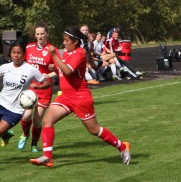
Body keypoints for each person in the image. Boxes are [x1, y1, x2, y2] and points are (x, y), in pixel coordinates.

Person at [29, 26, 131, 167]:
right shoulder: (67, 54)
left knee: (94, 130)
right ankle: (47, 157)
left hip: (80, 98)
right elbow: (62, 70)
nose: (64, 43)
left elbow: (68, 71)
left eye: (66, 41)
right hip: (66, 97)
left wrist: (54, 56)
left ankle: (122, 146)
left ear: (75, 42)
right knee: (47, 120)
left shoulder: (80, 53)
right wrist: (52, 70)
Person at [0, 41, 51, 167]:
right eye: (14, 52)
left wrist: (39, 87)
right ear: (10, 54)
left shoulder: (30, 69)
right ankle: (6, 135)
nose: (16, 55)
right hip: (0, 104)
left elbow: (47, 81)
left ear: (24, 54)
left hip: (16, 110)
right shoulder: (5, 67)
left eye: (19, 53)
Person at [16, 22, 60, 152]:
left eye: (42, 34)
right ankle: (25, 135)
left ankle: (34, 144)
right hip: (32, 87)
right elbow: (22, 63)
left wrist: (50, 72)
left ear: (47, 34)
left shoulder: (52, 49)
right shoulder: (29, 47)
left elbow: (58, 70)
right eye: (37, 34)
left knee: (37, 120)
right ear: (35, 35)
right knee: (26, 116)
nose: (40, 36)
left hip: (45, 88)